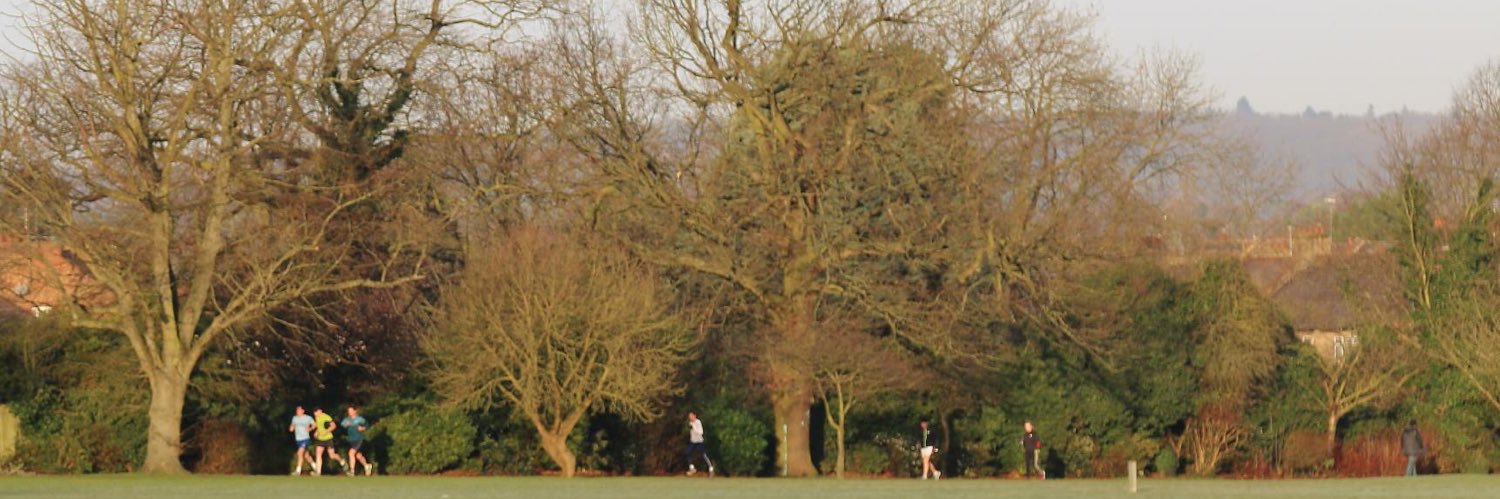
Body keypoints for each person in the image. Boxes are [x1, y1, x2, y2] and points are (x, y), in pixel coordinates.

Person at [310, 407, 346, 476]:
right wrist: (316, 432)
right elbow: (319, 426)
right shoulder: (317, 418)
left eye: (316, 412)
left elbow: (333, 426)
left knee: (332, 455)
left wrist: (326, 432)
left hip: (328, 438)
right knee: (318, 454)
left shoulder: (326, 417)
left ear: (320, 411)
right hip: (320, 439)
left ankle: (341, 460)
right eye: (314, 412)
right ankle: (318, 472)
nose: (315, 413)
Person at [342, 406, 374, 476]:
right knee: (358, 455)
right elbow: (342, 425)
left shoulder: (360, 419)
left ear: (355, 411)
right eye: (348, 411)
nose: (349, 412)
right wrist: (346, 425)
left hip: (358, 439)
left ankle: (352, 471)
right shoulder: (347, 419)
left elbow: (367, 425)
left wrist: (362, 428)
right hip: (351, 440)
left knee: (351, 453)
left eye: (351, 411)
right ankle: (367, 466)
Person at [288, 406, 316, 476]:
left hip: (305, 438)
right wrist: (291, 428)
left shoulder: (308, 418)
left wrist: (310, 429)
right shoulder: (295, 418)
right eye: (297, 410)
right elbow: (292, 426)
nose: (297, 411)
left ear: (303, 411)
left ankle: (298, 471)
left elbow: (314, 425)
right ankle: (316, 467)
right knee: (306, 456)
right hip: (298, 439)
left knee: (299, 453)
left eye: (299, 410)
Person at [685, 412, 714, 476]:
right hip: (693, 442)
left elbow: (701, 432)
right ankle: (692, 469)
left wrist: (693, 427)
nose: (690, 418)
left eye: (691, 416)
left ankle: (711, 469)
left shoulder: (698, 422)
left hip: (699, 441)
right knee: (688, 453)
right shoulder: (690, 423)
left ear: (695, 416)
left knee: (704, 455)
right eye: (689, 416)